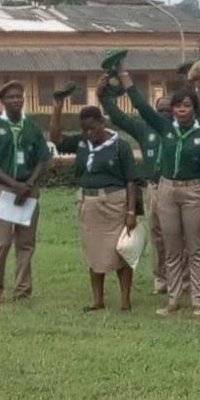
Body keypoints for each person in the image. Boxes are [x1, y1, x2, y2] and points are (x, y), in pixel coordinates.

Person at [120, 68, 200, 317]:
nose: (182, 109)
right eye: (178, 106)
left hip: (193, 190)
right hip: (166, 189)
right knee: (171, 249)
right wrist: (124, 74)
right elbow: (141, 106)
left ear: (195, 108)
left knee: (195, 249)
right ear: (172, 109)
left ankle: (198, 300)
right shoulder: (165, 129)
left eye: (187, 105)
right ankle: (172, 300)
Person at [49, 101, 137, 311]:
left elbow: (131, 181)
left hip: (114, 203)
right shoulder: (81, 142)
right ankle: (97, 299)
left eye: (92, 127)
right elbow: (55, 139)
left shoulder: (120, 146)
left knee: (120, 252)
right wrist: (57, 107)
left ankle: (125, 298)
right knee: (93, 252)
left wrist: (131, 211)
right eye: (84, 129)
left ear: (102, 122)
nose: (89, 132)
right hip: (88, 203)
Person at [0, 80, 51, 304]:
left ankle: (22, 290)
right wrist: (13, 184)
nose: (16, 100)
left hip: (29, 189)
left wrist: (28, 184)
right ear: (2, 101)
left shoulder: (32, 128)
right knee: (2, 242)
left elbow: (43, 159)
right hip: (4, 189)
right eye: (11, 97)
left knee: (26, 243)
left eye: (19, 96)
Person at [98, 79, 173, 297]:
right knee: (158, 235)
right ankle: (161, 280)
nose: (165, 114)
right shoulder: (144, 129)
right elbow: (119, 118)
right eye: (161, 110)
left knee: (179, 235)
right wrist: (105, 99)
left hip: (175, 186)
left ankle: (182, 279)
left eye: (169, 110)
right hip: (154, 187)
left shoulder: (178, 131)